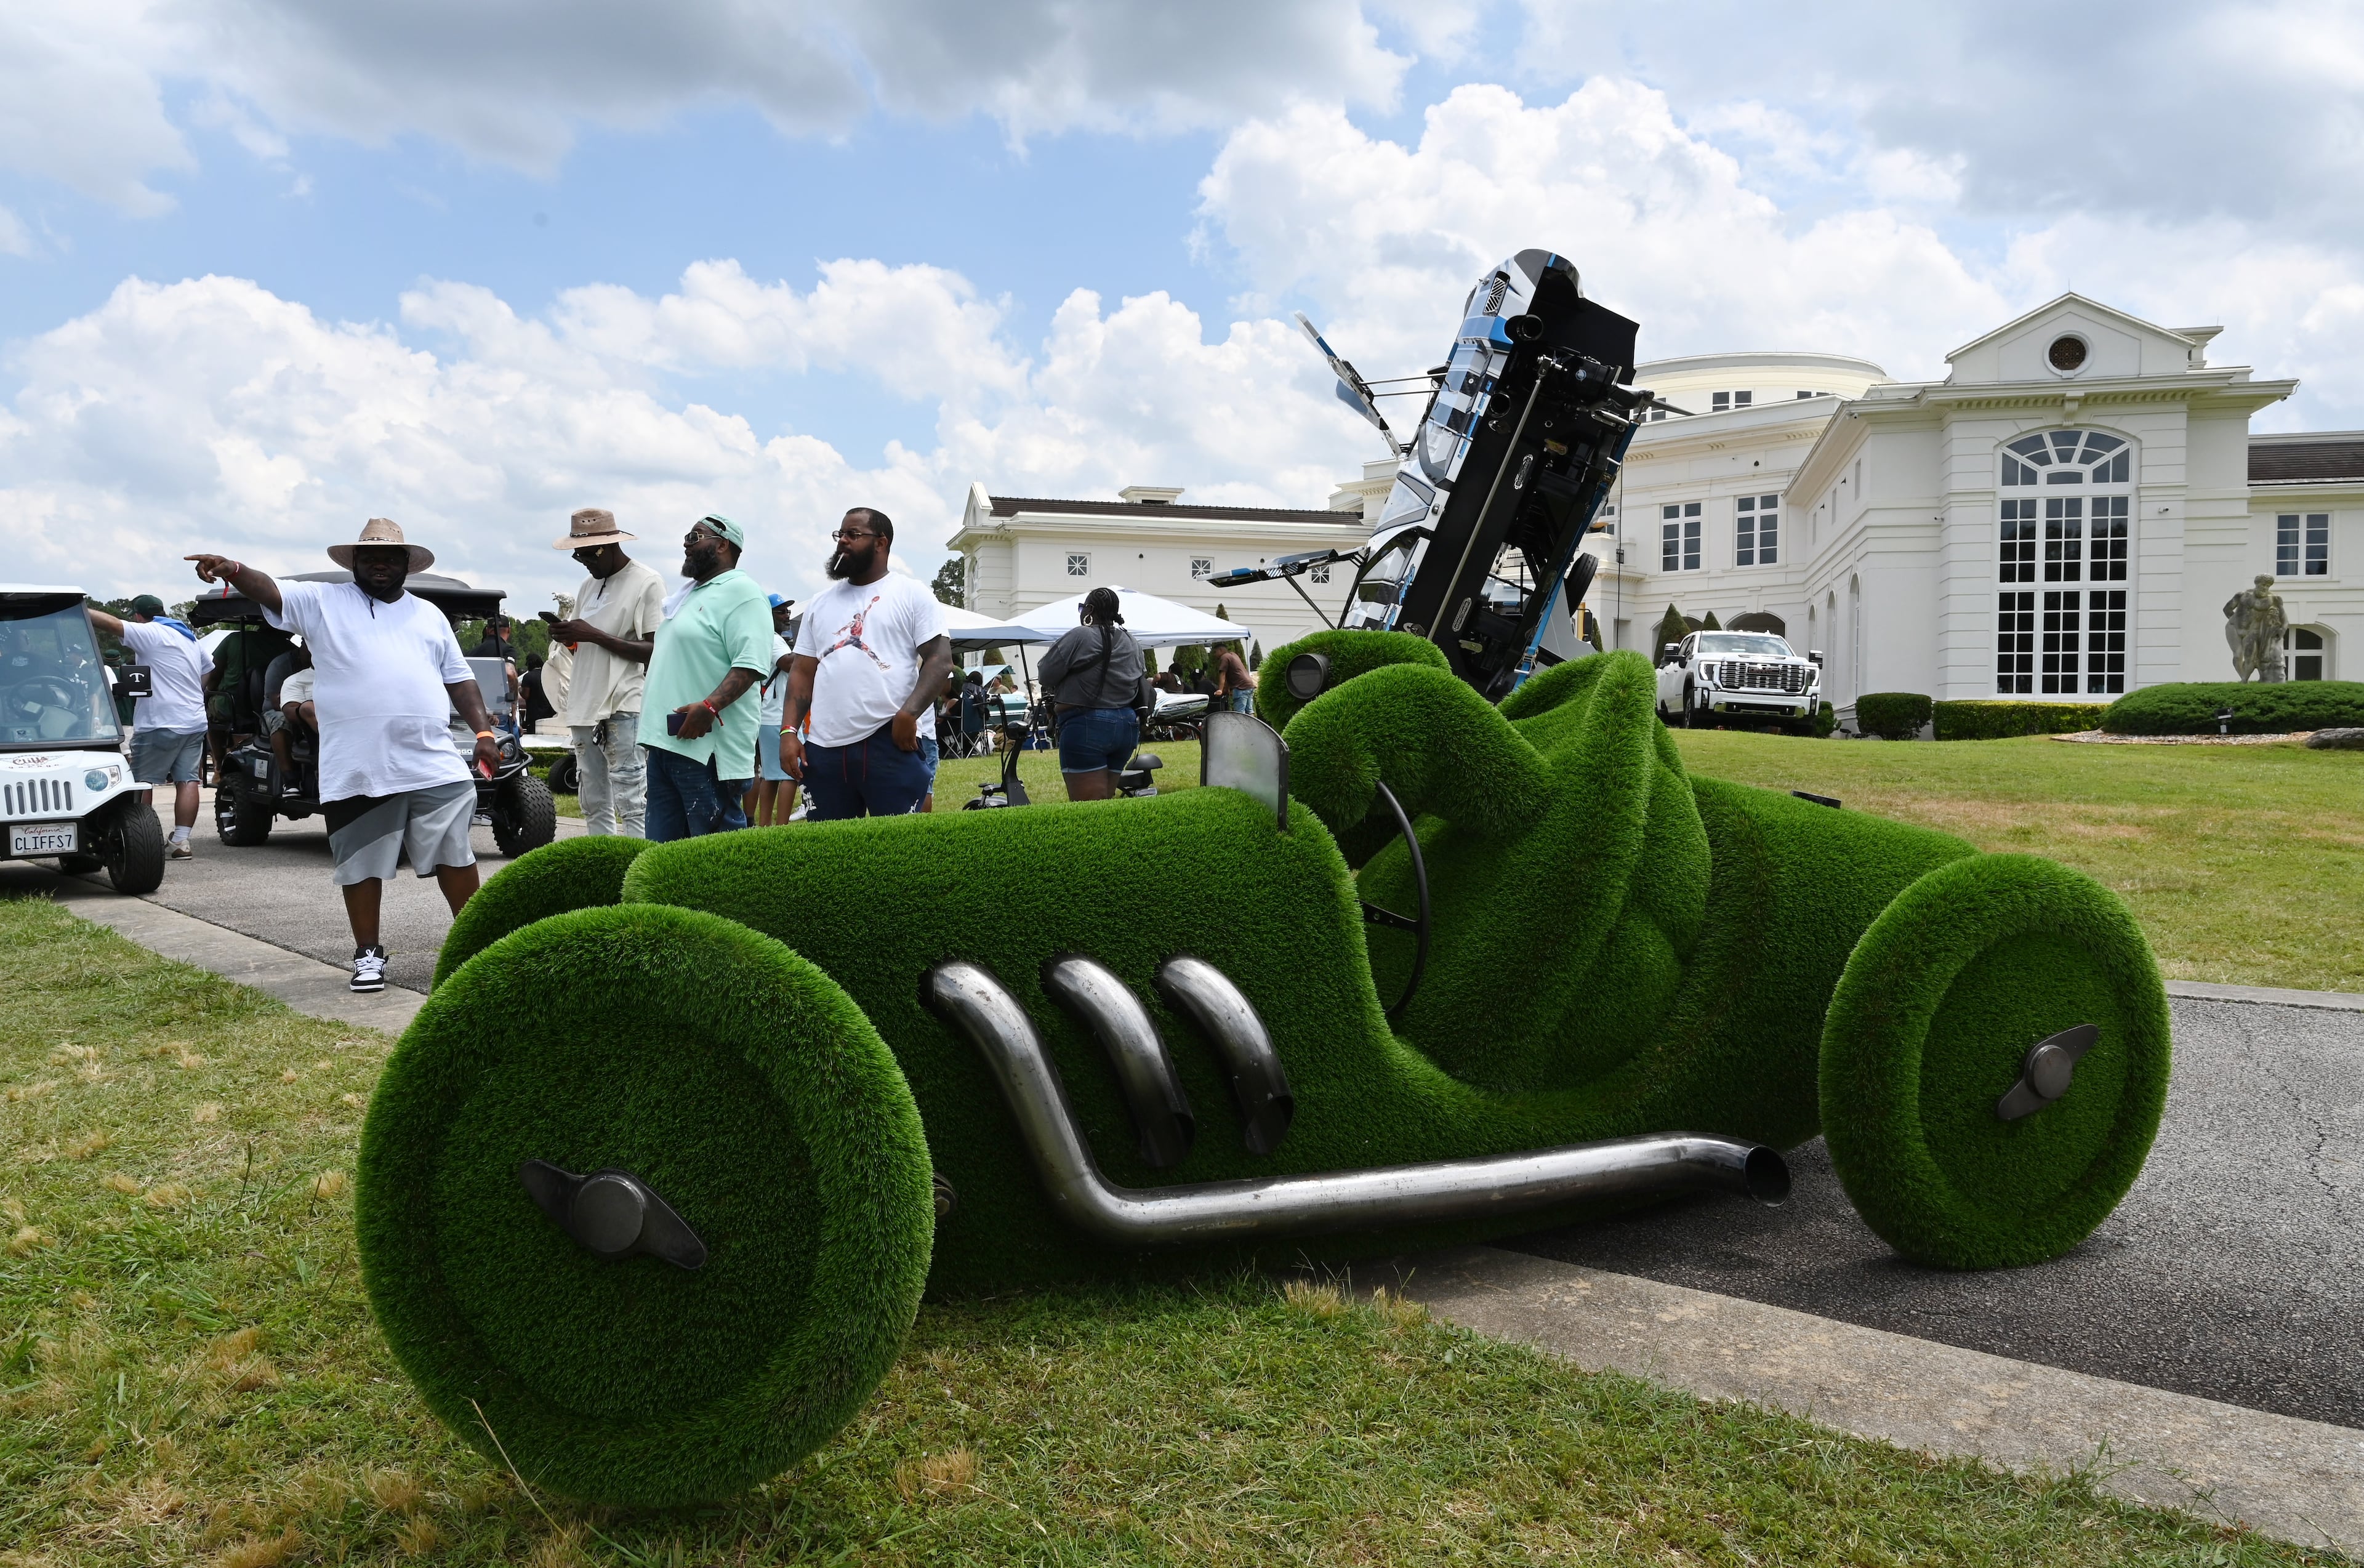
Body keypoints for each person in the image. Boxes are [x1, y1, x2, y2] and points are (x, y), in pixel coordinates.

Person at [185, 519, 500, 993]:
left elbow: (459, 678)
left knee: (456, 852)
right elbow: (270, 591)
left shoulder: (429, 615)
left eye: (389, 557)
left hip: (430, 758)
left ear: (406, 565)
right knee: (361, 861)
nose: (378, 563)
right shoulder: (322, 602)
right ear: (353, 562)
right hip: (357, 762)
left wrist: (483, 729)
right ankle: (368, 954)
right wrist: (232, 568)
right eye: (368, 556)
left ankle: (479, 949)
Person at [779, 508, 951, 820]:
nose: (843, 541)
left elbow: (940, 660)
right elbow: (803, 671)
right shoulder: (820, 602)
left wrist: (909, 714)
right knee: (832, 851)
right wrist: (789, 731)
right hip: (824, 746)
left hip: (890, 739)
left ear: (881, 543)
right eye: (840, 534)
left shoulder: (911, 593)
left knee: (902, 849)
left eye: (853, 535)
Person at [637, 513, 773, 841]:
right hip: (666, 742)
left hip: (705, 748)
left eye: (695, 537)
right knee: (662, 855)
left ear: (723, 545)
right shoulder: (691, 594)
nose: (686, 543)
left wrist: (710, 707)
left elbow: (752, 664)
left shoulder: (743, 592)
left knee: (714, 858)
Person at [547, 509, 668, 837]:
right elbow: (587, 642)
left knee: (632, 797)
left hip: (622, 702)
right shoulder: (589, 585)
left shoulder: (647, 582)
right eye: (577, 555)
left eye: (587, 554)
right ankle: (605, 867)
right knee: (593, 798)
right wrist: (569, 636)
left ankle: (638, 871)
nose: (583, 561)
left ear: (608, 547)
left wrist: (593, 635)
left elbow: (655, 649)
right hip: (585, 702)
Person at [85, 593, 213, 859]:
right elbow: (208, 669)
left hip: (160, 721)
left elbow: (111, 624)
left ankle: (140, 843)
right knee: (188, 780)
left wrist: (75, 608)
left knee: (140, 782)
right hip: (194, 720)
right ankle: (181, 841)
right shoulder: (188, 637)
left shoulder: (150, 632)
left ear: (139, 616)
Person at [1036, 586, 1148, 802]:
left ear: (1089, 610)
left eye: (1082, 608)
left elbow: (1045, 675)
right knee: (1106, 798)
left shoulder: (1080, 636)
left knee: (1090, 808)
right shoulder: (1131, 641)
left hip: (1087, 725)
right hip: (1126, 726)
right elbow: (1139, 676)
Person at [749, 594, 799, 826]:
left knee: (770, 774)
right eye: (781, 612)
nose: (787, 615)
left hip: (770, 715)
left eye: (787, 611)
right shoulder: (772, 639)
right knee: (790, 773)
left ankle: (766, 826)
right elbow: (788, 663)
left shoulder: (766, 637)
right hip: (778, 715)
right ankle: (782, 827)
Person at [263, 642, 316, 790]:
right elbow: (276, 700)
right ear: (303, 646)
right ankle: (290, 780)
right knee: (281, 721)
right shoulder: (280, 665)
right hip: (276, 709)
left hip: (306, 708)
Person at [1210, 641, 1258, 714]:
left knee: (1240, 714)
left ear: (1221, 650)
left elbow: (1223, 674)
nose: (1214, 655)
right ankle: (1253, 725)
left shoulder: (1224, 657)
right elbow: (1232, 674)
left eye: (1215, 652)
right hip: (1249, 685)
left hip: (1241, 688)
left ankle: (1241, 726)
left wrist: (1220, 690)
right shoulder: (1233, 655)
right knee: (1249, 712)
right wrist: (1226, 690)